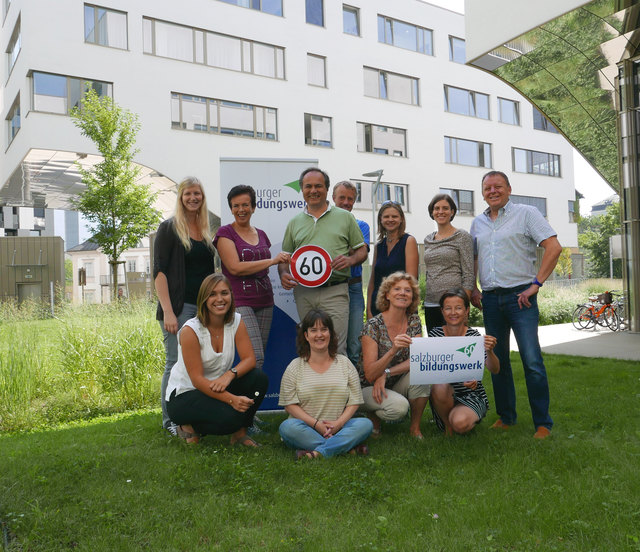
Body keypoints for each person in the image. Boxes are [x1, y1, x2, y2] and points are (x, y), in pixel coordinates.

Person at [470, 170, 562, 439]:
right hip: (490, 299)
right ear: (483, 192)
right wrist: (473, 287)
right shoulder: (478, 223)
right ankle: (507, 417)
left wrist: (536, 283)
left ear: (509, 189)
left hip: (521, 298)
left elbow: (553, 247)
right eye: (487, 188)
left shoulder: (527, 213)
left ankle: (542, 423)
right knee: (498, 361)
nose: (493, 191)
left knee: (531, 360)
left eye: (498, 186)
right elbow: (476, 257)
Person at [165, 273, 269, 445]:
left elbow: (250, 359)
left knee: (259, 379)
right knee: (230, 419)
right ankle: (187, 427)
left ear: (231, 295)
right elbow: (197, 380)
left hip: (218, 386)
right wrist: (232, 399)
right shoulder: (190, 330)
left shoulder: (236, 320)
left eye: (224, 293)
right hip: (185, 395)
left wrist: (230, 374)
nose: (219, 299)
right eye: (212, 294)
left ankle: (240, 434)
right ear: (203, 299)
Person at [279, 167, 367, 355]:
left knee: (337, 347)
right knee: (309, 347)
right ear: (302, 190)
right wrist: (284, 273)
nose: (313, 190)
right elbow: (285, 258)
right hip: (304, 293)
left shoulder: (344, 218)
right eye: (308, 186)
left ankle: (339, 385)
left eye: (318, 186)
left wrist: (350, 260)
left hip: (335, 290)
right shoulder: (294, 222)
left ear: (327, 189)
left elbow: (362, 251)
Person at [154, 176, 216, 431]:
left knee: (201, 364)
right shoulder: (169, 228)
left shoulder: (205, 230)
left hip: (204, 310)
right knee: (174, 363)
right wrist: (168, 311)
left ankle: (197, 414)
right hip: (179, 309)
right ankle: (170, 421)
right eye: (188, 194)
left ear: (202, 198)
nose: (193, 198)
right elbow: (159, 272)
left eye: (197, 194)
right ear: (180, 197)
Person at [278, 309, 373, 459]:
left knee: (365, 424)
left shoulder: (345, 363)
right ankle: (344, 447)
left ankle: (318, 452)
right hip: (305, 428)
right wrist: (316, 425)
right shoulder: (294, 366)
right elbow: (289, 405)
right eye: (313, 330)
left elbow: (355, 401)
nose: (319, 335)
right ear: (306, 335)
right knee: (287, 427)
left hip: (339, 427)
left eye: (324, 329)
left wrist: (339, 424)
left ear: (331, 334)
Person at [214, 184, 290, 370]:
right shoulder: (225, 233)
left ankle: (250, 398)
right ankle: (244, 398)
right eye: (236, 206)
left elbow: (279, 262)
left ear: (253, 207)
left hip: (265, 300)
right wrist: (272, 261)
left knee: (257, 358)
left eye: (245, 205)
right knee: (255, 358)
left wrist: (284, 269)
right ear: (231, 209)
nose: (241, 210)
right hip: (240, 301)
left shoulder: (262, 234)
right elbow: (235, 268)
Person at [359, 272, 430, 438]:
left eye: (407, 290)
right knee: (398, 408)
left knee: (422, 374)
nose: (402, 293)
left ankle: (415, 429)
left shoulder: (413, 321)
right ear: (387, 295)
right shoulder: (372, 325)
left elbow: (417, 359)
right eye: (397, 289)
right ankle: (373, 415)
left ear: (412, 297)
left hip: (394, 379)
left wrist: (387, 373)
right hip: (368, 386)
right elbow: (370, 374)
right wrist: (393, 351)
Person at [428, 289, 500, 435]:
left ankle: (461, 418)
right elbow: (429, 369)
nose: (453, 312)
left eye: (458, 308)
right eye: (448, 308)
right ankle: (448, 427)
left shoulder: (474, 336)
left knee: (460, 424)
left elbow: (495, 369)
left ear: (467, 311)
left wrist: (490, 351)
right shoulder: (435, 335)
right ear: (442, 311)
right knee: (440, 385)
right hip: (444, 394)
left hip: (471, 394)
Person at [332, 180, 370, 367]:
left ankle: (355, 390)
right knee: (335, 343)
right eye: (342, 198)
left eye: (350, 199)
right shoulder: (324, 225)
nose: (346, 202)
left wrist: (339, 248)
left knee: (354, 344)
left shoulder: (361, 225)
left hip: (354, 287)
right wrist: (349, 247)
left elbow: (359, 253)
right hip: (331, 289)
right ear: (333, 198)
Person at [423, 193, 474, 333]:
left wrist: (463, 306)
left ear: (452, 212)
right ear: (432, 212)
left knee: (455, 348)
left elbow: (469, 273)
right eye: (436, 208)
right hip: (431, 303)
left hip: (454, 307)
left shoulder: (462, 236)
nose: (440, 212)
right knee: (435, 349)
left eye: (445, 208)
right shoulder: (428, 240)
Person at [367, 202, 418, 318]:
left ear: (401, 219)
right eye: (386, 216)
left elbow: (411, 281)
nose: (390, 219)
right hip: (377, 308)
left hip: (401, 307)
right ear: (380, 219)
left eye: (394, 216)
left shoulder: (409, 241)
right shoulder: (378, 246)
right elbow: (372, 282)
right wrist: (368, 308)